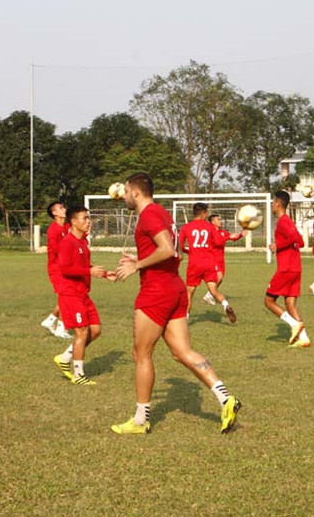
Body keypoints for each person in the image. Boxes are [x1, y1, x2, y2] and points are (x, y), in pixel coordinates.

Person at [111, 173, 240, 435]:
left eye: (125, 191)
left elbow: (168, 249)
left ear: (136, 192)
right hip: (174, 288)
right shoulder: (162, 214)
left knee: (141, 355)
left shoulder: (149, 215)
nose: (123, 196)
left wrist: (137, 264)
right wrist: (138, 256)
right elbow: (168, 250)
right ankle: (226, 399)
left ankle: (140, 420)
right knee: (182, 352)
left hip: (156, 291)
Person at [52, 206, 111, 385]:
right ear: (74, 222)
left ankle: (65, 357)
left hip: (83, 294)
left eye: (88, 218)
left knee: (95, 330)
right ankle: (78, 375)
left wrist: (106, 273)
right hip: (70, 294)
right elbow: (65, 268)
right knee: (81, 332)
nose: (88, 221)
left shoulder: (83, 242)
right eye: (84, 218)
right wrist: (89, 271)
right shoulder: (67, 242)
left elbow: (84, 265)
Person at [264, 191, 310, 348]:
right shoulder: (288, 221)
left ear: (277, 203)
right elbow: (301, 242)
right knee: (290, 303)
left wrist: (278, 246)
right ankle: (304, 338)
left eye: (272, 202)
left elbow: (296, 239)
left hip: (286, 268)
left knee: (269, 301)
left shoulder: (283, 222)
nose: (271, 205)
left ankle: (294, 324)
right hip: (295, 268)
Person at [177, 203, 237, 323]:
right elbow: (219, 241)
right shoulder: (209, 227)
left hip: (195, 263)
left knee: (189, 293)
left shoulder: (186, 227)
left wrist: (189, 251)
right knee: (213, 290)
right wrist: (228, 237)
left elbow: (181, 245)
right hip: (209, 263)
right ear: (204, 213)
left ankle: (186, 319)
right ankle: (225, 305)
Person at [40, 201, 72, 339]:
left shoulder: (67, 226)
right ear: (54, 213)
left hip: (67, 267)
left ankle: (51, 320)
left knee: (67, 297)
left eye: (64, 206)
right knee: (66, 297)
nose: (64, 209)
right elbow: (56, 250)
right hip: (57, 268)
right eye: (61, 208)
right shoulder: (53, 230)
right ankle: (61, 328)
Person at [201, 213, 244, 306]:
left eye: (220, 219)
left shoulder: (222, 232)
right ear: (212, 222)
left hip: (221, 260)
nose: (220, 221)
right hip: (213, 259)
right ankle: (209, 295)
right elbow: (217, 242)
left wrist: (241, 234)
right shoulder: (210, 232)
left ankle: (209, 295)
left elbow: (232, 237)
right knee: (218, 277)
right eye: (218, 220)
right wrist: (227, 237)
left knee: (220, 279)